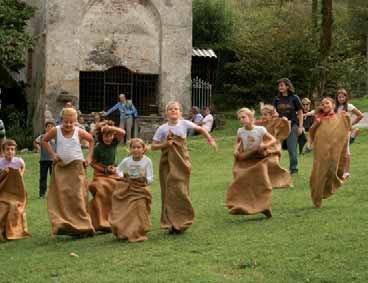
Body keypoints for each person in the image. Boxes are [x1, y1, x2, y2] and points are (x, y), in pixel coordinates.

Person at [151, 101, 217, 234]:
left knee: (181, 191)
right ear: (166, 113)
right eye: (170, 109)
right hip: (167, 164)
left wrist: (210, 139)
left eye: (176, 109)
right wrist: (166, 144)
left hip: (182, 163)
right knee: (169, 192)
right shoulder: (162, 128)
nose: (173, 111)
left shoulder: (185, 123)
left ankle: (182, 220)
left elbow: (200, 129)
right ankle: (170, 223)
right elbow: (153, 146)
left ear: (180, 112)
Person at [42, 107, 95, 237]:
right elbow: (44, 140)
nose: (69, 125)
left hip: (77, 167)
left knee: (78, 195)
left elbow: (92, 140)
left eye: (71, 122)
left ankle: (84, 226)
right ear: (62, 120)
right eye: (66, 122)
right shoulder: (56, 130)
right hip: (61, 167)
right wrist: (53, 154)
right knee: (62, 196)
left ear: (75, 121)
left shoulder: (79, 131)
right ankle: (64, 224)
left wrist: (89, 157)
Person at [227, 108, 277, 218]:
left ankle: (265, 207)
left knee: (263, 183)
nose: (241, 120)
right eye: (240, 118)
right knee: (244, 181)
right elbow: (238, 142)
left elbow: (273, 139)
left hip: (260, 159)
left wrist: (265, 145)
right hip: (247, 159)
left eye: (243, 117)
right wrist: (236, 150)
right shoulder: (240, 131)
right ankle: (242, 205)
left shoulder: (260, 129)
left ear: (251, 118)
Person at [309, 97, 350, 208]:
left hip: (333, 152)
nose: (324, 105)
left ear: (333, 105)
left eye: (327, 103)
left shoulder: (339, 117)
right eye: (322, 104)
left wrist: (346, 118)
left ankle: (327, 189)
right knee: (319, 173)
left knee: (332, 171)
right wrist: (315, 124)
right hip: (320, 151)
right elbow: (312, 133)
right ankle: (317, 199)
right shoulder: (319, 118)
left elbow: (346, 130)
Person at [110, 138, 153, 242]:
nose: (136, 150)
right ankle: (126, 230)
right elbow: (118, 170)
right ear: (130, 149)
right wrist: (123, 176)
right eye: (133, 147)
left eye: (139, 147)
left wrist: (144, 178)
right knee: (128, 209)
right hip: (128, 187)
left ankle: (139, 230)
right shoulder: (127, 160)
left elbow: (151, 178)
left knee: (140, 207)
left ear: (143, 149)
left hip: (141, 188)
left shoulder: (147, 161)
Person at [88, 121, 125, 232]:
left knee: (120, 187)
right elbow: (92, 163)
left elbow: (123, 132)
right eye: (105, 136)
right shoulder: (98, 147)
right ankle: (100, 220)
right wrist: (104, 169)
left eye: (110, 135)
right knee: (102, 188)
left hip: (113, 172)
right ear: (101, 136)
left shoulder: (114, 143)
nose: (108, 138)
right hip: (101, 174)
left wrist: (110, 127)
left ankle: (116, 218)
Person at [0, 139, 31, 240]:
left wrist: (20, 174)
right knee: (3, 208)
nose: (10, 151)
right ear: (3, 151)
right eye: (7, 149)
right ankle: (3, 231)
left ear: (15, 151)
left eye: (12, 149)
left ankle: (17, 231)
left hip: (17, 192)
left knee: (15, 206)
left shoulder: (18, 161)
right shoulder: (0, 163)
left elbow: (23, 168)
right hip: (4, 192)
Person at [256, 104, 292, 189]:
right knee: (261, 165)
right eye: (262, 114)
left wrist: (285, 121)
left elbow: (285, 128)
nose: (263, 116)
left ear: (271, 115)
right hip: (263, 147)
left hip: (274, 147)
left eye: (266, 114)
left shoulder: (276, 121)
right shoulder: (260, 123)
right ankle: (264, 181)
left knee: (273, 163)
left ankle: (283, 180)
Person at [273, 78, 303, 174]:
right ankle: (275, 168)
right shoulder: (277, 99)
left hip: (292, 125)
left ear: (287, 86)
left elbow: (300, 112)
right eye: (279, 86)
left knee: (292, 149)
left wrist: (300, 127)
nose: (280, 87)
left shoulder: (294, 98)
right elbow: (273, 112)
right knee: (275, 149)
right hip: (280, 127)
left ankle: (293, 169)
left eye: (282, 85)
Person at [335, 89, 364, 179]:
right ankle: (339, 170)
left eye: (343, 97)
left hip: (346, 131)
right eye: (339, 97)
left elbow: (360, 115)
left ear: (346, 97)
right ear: (337, 98)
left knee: (346, 150)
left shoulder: (349, 106)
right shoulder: (335, 107)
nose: (341, 98)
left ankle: (347, 172)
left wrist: (351, 124)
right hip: (336, 131)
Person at [34, 120, 57, 198]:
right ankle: (42, 194)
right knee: (43, 177)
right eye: (48, 126)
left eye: (51, 126)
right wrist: (38, 148)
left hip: (53, 161)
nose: (50, 128)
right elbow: (35, 142)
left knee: (54, 178)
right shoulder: (42, 137)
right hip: (43, 160)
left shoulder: (56, 137)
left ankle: (54, 193)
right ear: (45, 128)